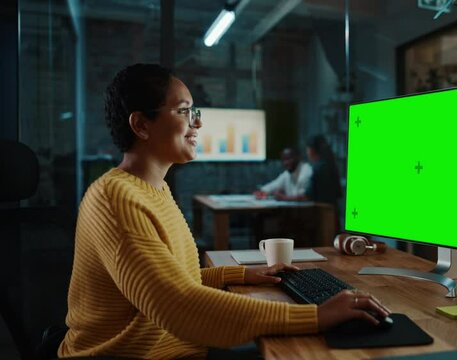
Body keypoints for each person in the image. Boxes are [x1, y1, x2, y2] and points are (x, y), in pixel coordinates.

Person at [58, 64, 389, 359]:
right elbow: (178, 305)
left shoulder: (153, 189)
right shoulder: (115, 197)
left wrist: (244, 274)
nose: (198, 122)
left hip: (178, 347)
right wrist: (317, 315)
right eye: (185, 112)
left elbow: (170, 282)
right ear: (142, 125)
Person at [304, 135, 343, 208]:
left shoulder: (318, 168)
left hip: (322, 213)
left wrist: (284, 197)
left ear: (312, 150)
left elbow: (308, 195)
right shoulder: (330, 164)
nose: (307, 153)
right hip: (333, 211)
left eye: (307, 150)